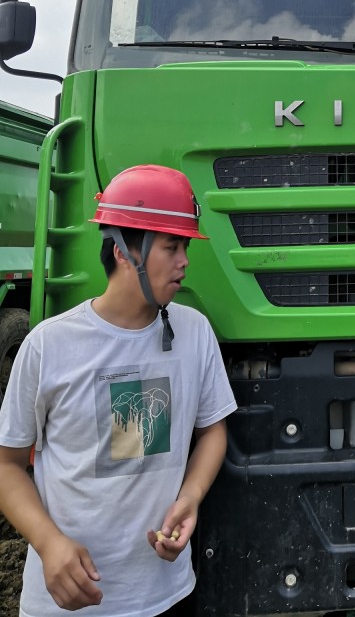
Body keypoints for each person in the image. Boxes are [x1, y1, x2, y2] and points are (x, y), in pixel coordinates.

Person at [0, 165, 237, 617]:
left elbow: (212, 431)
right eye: (171, 246)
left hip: (166, 595)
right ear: (125, 251)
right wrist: (49, 543)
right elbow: (6, 465)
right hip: (67, 604)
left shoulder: (194, 333)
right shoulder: (50, 345)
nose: (185, 261)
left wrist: (189, 498)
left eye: (185, 247)